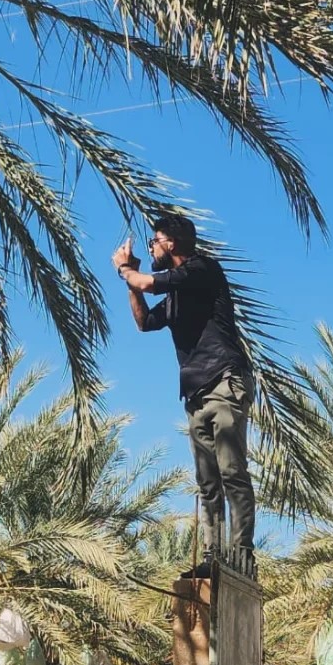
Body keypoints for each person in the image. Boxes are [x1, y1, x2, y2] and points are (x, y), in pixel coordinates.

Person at [112, 215, 256, 575]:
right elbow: (144, 322)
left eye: (154, 241)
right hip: (195, 393)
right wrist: (131, 281)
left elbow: (146, 282)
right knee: (208, 481)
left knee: (231, 471)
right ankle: (213, 558)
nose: (151, 247)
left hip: (225, 381)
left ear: (171, 243)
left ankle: (241, 555)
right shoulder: (174, 293)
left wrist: (126, 271)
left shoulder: (201, 269)